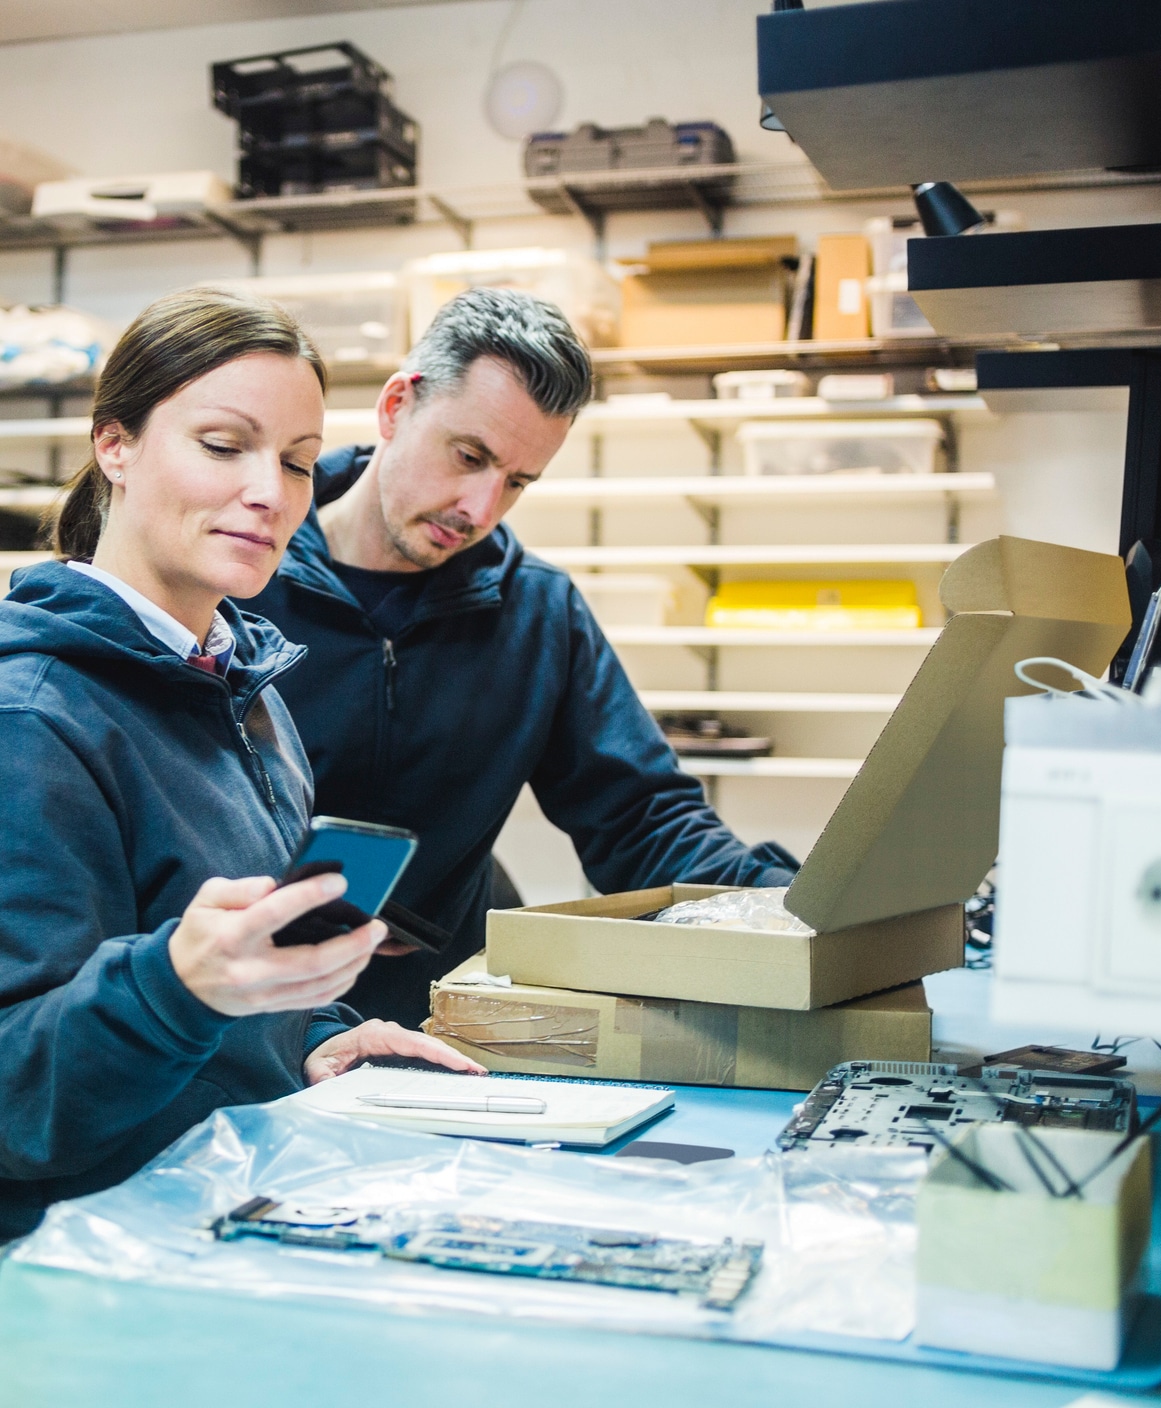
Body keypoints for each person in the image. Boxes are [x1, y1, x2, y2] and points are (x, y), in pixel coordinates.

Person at [0, 290, 479, 1243]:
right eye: (225, 446)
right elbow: (16, 1100)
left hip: (229, 1204)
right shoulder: (32, 721)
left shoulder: (243, 685)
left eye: (299, 461)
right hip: (85, 1264)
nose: (273, 491)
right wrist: (174, 988)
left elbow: (229, 993)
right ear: (116, 446)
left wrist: (314, 1035)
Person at [247, 288, 799, 1028]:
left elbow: (641, 819)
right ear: (395, 407)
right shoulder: (241, 579)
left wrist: (795, 904)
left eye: (516, 482)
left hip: (438, 1024)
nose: (480, 508)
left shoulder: (538, 612)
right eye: (469, 456)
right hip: (239, 1013)